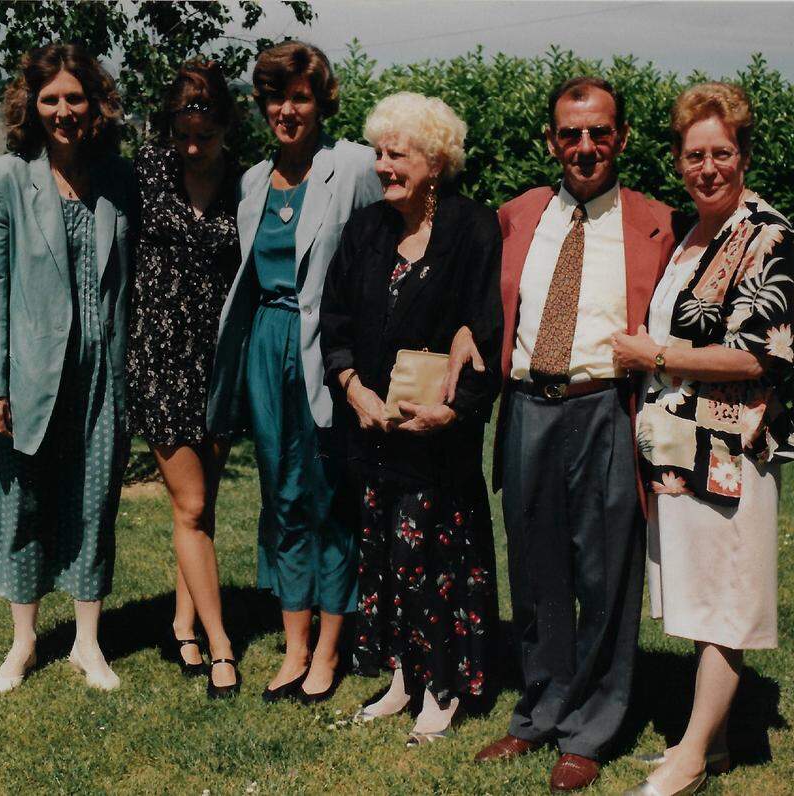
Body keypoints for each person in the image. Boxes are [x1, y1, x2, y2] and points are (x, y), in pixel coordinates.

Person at [467, 76, 675, 792]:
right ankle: (539, 711)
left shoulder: (658, 223)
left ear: (621, 138)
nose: (584, 147)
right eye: (569, 134)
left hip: (606, 410)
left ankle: (592, 726)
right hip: (527, 406)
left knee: (605, 574)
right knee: (536, 572)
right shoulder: (518, 215)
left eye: (598, 132)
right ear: (550, 141)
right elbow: (479, 301)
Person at [610, 82, 794, 796]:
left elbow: (762, 353)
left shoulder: (768, 234)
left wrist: (653, 356)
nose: (709, 167)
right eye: (695, 155)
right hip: (677, 451)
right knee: (700, 592)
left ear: (744, 154)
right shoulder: (693, 234)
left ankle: (689, 757)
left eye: (722, 153)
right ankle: (716, 743)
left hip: (730, 450)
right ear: (678, 160)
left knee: (725, 595)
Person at [319, 92, 503, 745]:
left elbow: (485, 331)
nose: (382, 164)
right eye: (379, 152)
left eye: (397, 154)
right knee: (385, 561)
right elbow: (332, 325)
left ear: (435, 160)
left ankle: (442, 687)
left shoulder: (474, 230)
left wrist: (452, 412)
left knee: (432, 562)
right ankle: (401, 678)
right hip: (371, 435)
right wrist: (353, 390)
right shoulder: (365, 229)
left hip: (436, 442)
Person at [208, 41, 381, 703]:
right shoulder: (252, 181)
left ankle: (330, 651)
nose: (287, 110)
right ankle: (295, 646)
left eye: (300, 97)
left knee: (330, 499)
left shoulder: (355, 166)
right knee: (280, 497)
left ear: (321, 101)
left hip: (327, 350)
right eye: (275, 97)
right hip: (265, 347)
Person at [0, 43, 136, 693]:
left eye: (75, 97)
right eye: (50, 99)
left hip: (102, 374)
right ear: (31, 106)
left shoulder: (118, 180)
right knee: (25, 507)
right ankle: (24, 643)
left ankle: (88, 645)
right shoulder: (2, 180)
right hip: (29, 375)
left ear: (95, 103)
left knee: (94, 503)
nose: (63, 110)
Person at [126, 61, 242, 698]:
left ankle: (183, 623)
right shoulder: (145, 171)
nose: (192, 148)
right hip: (160, 358)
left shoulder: (245, 185)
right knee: (191, 505)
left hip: (220, 361)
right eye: (182, 134)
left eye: (205, 135)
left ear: (226, 126)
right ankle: (221, 647)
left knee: (199, 509)